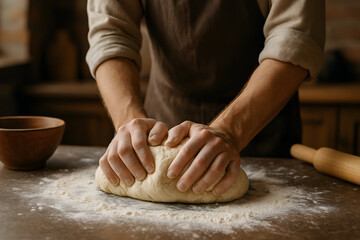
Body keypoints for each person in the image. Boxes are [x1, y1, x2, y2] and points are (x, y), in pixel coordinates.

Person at [86, 1, 325, 196]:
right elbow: (111, 32)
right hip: (163, 128)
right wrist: (128, 120)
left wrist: (230, 131)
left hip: (262, 129)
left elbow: (295, 36)